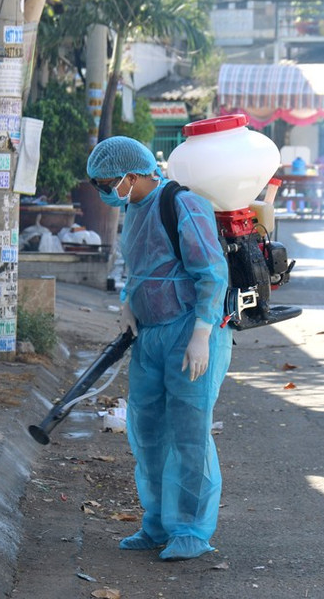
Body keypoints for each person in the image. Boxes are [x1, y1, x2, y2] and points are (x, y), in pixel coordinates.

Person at [87, 136, 233, 561]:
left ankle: (189, 529)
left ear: (132, 176)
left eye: (107, 183)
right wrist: (128, 305)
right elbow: (139, 268)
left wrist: (202, 333)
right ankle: (156, 523)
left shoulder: (183, 205)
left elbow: (210, 271)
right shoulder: (133, 208)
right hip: (150, 335)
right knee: (148, 433)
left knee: (189, 434)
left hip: (191, 329)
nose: (104, 192)